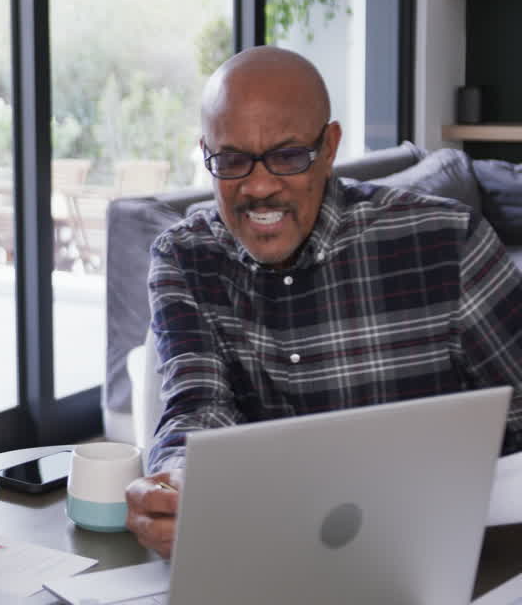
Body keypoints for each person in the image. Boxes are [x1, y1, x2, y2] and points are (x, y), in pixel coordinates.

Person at [124, 46, 522, 558]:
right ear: (207, 154)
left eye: (288, 156)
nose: (260, 187)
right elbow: (197, 409)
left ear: (329, 146)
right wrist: (178, 484)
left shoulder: (446, 239)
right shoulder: (184, 258)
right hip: (267, 561)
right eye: (232, 160)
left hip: (445, 556)